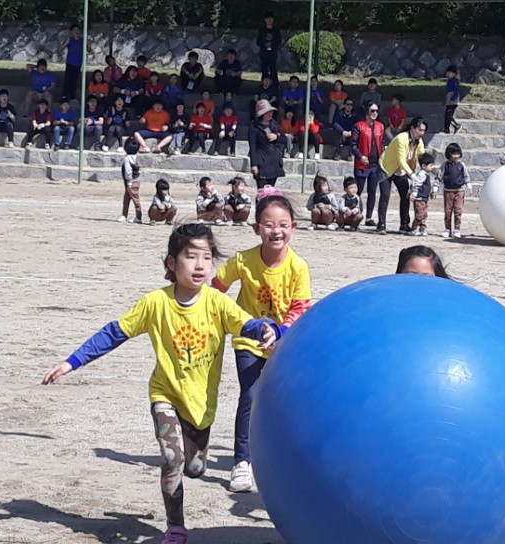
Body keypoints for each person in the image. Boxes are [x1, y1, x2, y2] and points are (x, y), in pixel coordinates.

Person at [40, 224, 278, 544]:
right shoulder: (155, 303)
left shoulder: (216, 303)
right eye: (190, 256)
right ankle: (176, 526)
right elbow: (114, 333)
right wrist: (71, 362)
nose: (199, 265)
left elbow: (247, 324)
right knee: (172, 459)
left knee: (193, 468)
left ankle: (190, 464)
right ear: (171, 263)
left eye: (206, 258)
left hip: (200, 405)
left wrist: (267, 329)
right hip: (165, 395)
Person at [212, 194, 312, 493]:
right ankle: (242, 462)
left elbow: (300, 307)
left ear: (293, 227)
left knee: (286, 401)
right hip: (248, 342)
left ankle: (281, 457)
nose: (276, 231)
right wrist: (228, 319)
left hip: (284, 343)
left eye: (283, 224)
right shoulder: (243, 261)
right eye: (268, 225)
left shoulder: (297, 267)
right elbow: (215, 290)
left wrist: (280, 332)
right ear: (257, 228)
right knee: (252, 396)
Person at [378, 116, 428, 236]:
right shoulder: (402, 138)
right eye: (420, 130)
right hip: (387, 167)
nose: (422, 133)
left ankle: (404, 224)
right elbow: (400, 159)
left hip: (401, 170)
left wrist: (426, 168)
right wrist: (412, 174)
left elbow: (422, 156)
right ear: (412, 128)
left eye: (424, 130)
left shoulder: (419, 141)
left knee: (405, 195)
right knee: (385, 195)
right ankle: (381, 224)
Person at [351, 101, 386, 228]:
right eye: (372, 111)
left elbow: (382, 143)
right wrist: (360, 156)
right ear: (366, 112)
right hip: (362, 164)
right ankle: (356, 215)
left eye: (376, 111)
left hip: (375, 164)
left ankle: (369, 216)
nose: (374, 113)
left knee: (372, 191)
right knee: (358, 191)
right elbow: (353, 145)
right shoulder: (358, 126)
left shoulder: (380, 126)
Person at [434, 142, 472, 239]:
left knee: (458, 211)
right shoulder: (445, 165)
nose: (456, 156)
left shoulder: (462, 165)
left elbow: (466, 176)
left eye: (457, 154)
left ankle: (457, 229)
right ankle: (447, 229)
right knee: (447, 211)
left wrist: (469, 186)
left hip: (459, 191)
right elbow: (438, 177)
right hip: (448, 191)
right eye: (453, 154)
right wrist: (435, 189)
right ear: (449, 154)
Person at [248, 100, 284, 189]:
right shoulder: (254, 127)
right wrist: (254, 164)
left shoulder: (275, 124)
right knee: (262, 191)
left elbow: (284, 140)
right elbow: (252, 146)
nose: (270, 114)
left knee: (271, 190)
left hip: (274, 160)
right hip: (262, 161)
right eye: (267, 112)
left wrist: (276, 137)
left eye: (270, 112)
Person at [409, 152, 436, 237]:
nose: (432, 167)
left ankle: (422, 229)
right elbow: (417, 184)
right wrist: (414, 193)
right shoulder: (421, 174)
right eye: (431, 165)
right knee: (419, 214)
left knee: (424, 214)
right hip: (419, 198)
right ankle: (414, 228)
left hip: (424, 198)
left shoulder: (426, 174)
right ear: (424, 166)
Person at [119, 139, 142, 223]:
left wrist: (129, 182)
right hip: (136, 181)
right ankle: (124, 215)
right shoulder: (136, 157)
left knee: (135, 200)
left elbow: (128, 172)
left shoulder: (127, 159)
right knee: (127, 199)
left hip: (130, 182)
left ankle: (138, 217)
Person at [256, 13, 281, 83]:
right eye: (268, 19)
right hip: (263, 53)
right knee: (264, 70)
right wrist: (264, 44)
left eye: (271, 19)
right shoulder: (262, 30)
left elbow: (279, 41)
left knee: (273, 69)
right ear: (265, 20)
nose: (269, 20)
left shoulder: (276, 30)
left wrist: (272, 44)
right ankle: (264, 85)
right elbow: (258, 41)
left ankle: (275, 86)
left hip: (272, 53)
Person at [62, 24, 84, 101]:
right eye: (75, 30)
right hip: (70, 62)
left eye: (78, 30)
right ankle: (64, 95)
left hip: (78, 64)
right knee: (68, 79)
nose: (76, 31)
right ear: (71, 32)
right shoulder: (70, 40)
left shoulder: (82, 41)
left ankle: (72, 96)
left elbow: (89, 50)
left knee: (75, 80)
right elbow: (62, 47)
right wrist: (67, 41)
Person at [443, 66, 461, 134]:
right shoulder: (450, 81)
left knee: (449, 116)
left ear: (453, 73)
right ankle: (446, 129)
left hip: (452, 102)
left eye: (448, 73)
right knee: (447, 116)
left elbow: (455, 92)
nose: (447, 74)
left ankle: (456, 125)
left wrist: (452, 100)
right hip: (449, 102)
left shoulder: (453, 82)